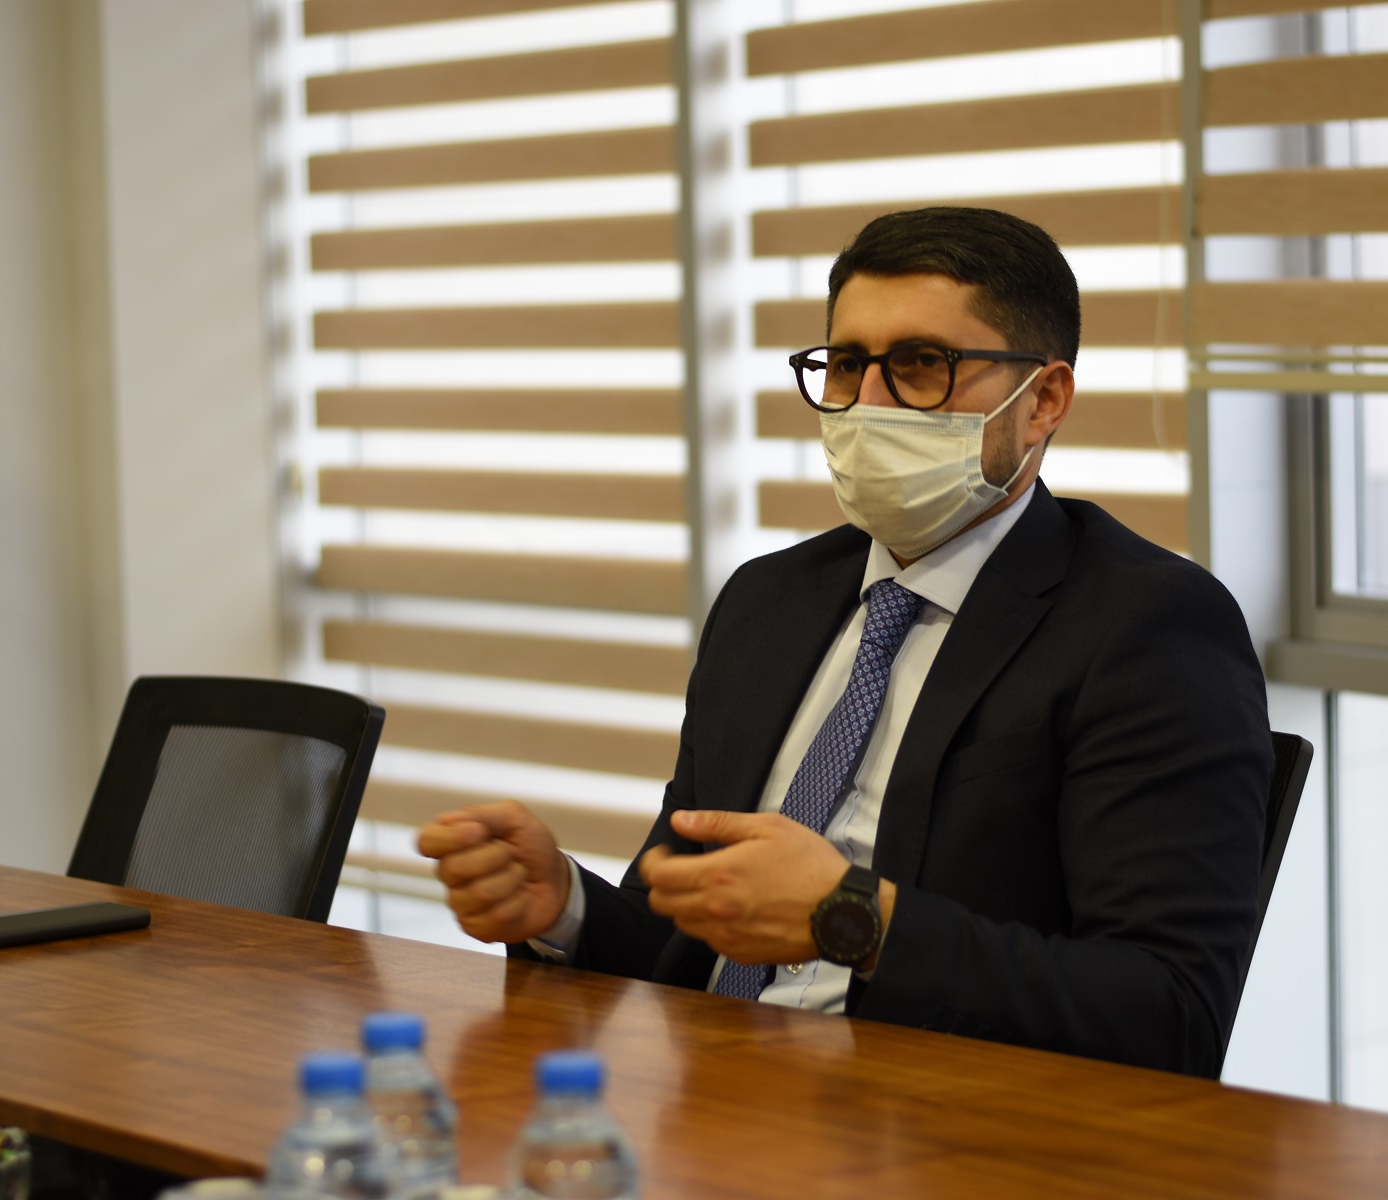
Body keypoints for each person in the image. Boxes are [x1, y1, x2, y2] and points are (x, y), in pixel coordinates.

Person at [418, 207, 1271, 1078]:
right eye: (847, 364)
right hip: (712, 1100)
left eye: (921, 364)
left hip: (930, 1120)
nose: (868, 403)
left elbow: (1169, 1014)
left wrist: (851, 918)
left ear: (1043, 401)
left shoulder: (1144, 624)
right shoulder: (767, 601)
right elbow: (684, 946)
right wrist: (563, 908)